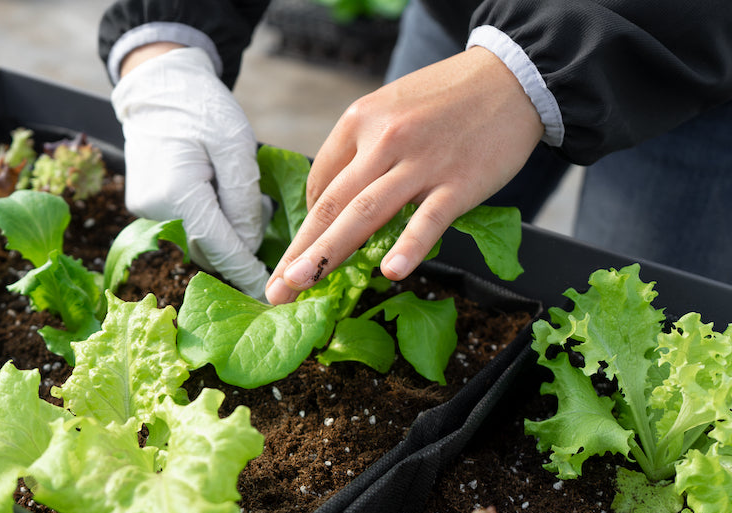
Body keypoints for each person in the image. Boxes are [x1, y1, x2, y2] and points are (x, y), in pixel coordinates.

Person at [98, 1, 732, 305]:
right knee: (399, 262)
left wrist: (525, 66)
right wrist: (165, 42)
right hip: (466, 16)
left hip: (692, 52)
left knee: (636, 316)